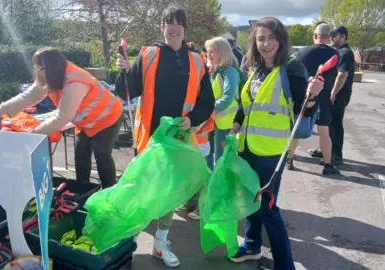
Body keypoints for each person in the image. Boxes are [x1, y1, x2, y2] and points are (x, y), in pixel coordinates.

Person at [115, 5, 214, 268]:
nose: (174, 27)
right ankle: (127, 241)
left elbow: (207, 102)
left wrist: (191, 120)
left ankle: (160, 242)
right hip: (148, 139)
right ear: (162, 27)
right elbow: (127, 90)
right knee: (142, 190)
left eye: (179, 22)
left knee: (169, 194)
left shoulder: (197, 61)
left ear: (184, 28)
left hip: (178, 140)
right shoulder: (147, 55)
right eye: (169, 23)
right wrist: (123, 71)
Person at [227, 17, 323, 269]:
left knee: (268, 210)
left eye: (271, 37)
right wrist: (232, 131)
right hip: (246, 148)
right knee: (250, 200)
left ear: (281, 40)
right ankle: (252, 245)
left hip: (271, 154)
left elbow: (306, 108)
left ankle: (285, 265)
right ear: (254, 42)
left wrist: (313, 95)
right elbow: (245, 108)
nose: (266, 43)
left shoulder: (291, 70)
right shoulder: (255, 70)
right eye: (261, 39)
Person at [0, 47, 124, 188]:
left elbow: (62, 117)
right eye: (36, 67)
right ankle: (84, 190)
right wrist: (1, 110)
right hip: (86, 122)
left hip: (108, 117)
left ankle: (109, 193)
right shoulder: (52, 75)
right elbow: (30, 96)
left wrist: (34, 133)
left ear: (50, 68)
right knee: (81, 153)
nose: (37, 71)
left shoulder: (74, 82)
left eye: (40, 68)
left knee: (102, 155)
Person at [292, 22, 340, 175]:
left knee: (296, 129)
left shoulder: (303, 52)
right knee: (324, 131)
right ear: (328, 37)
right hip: (324, 96)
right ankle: (327, 164)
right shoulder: (335, 54)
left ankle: (289, 160)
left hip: (305, 95)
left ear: (315, 36)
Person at [308, 26, 355, 166]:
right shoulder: (338, 51)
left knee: (335, 124)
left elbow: (342, 74)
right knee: (327, 123)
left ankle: (336, 155)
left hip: (339, 95)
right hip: (334, 93)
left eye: (336, 35)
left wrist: (333, 92)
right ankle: (325, 149)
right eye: (332, 35)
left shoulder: (345, 52)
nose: (332, 38)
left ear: (344, 37)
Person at [204, 37, 240, 169]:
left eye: (212, 52)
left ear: (222, 52)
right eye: (208, 52)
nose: (208, 55)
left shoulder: (229, 71)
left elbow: (227, 98)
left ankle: (218, 187)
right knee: (207, 154)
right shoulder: (215, 70)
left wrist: (206, 109)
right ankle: (209, 184)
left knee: (221, 161)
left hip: (224, 124)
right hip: (212, 122)